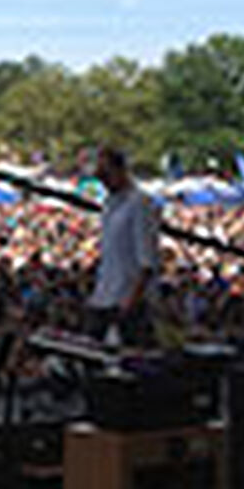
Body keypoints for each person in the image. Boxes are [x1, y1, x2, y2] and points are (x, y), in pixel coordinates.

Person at [87, 146, 158, 348]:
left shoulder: (140, 203)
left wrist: (130, 301)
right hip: (103, 298)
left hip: (126, 302)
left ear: (120, 170)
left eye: (106, 174)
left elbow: (147, 261)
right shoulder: (109, 204)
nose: (103, 181)